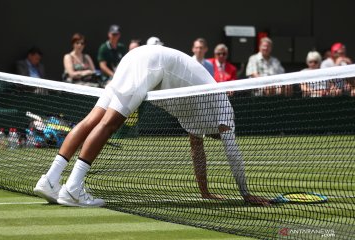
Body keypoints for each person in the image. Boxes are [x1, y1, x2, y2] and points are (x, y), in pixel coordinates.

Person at [34, 45, 270, 207]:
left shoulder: (199, 119)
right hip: (151, 64)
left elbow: (198, 152)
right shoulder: (224, 112)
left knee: (93, 119)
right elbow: (232, 152)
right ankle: (74, 187)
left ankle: (50, 180)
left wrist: (205, 192)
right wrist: (245, 193)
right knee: (109, 123)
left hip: (137, 57)